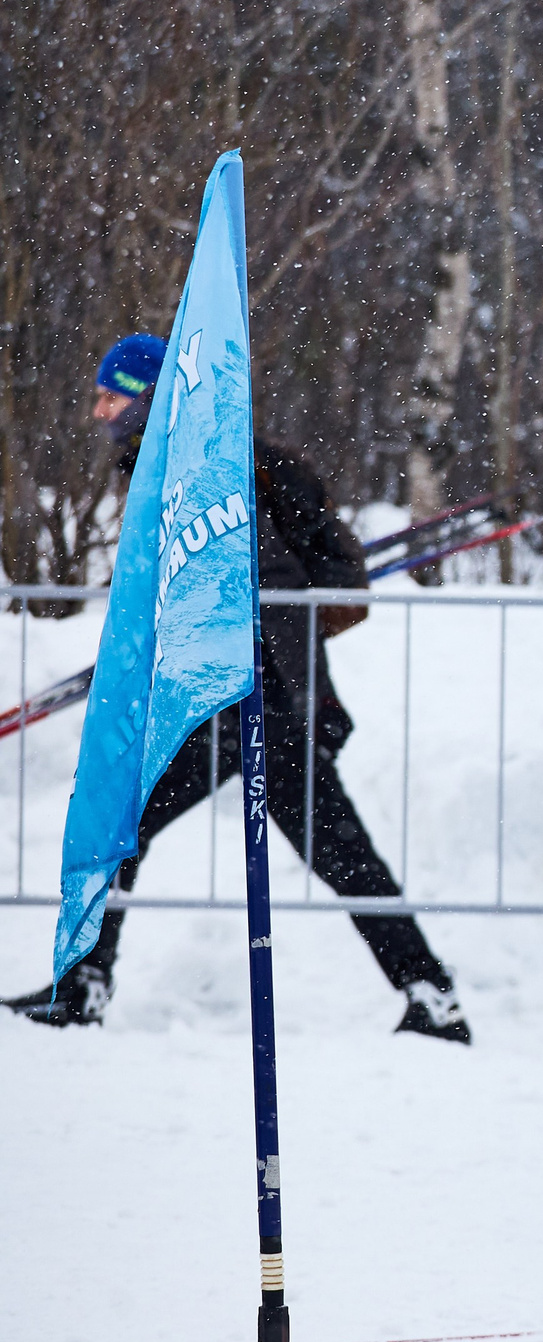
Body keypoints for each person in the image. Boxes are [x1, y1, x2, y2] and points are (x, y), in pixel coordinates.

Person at [5, 334, 472, 1043]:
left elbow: (287, 585)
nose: (98, 412)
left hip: (251, 699)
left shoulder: (219, 473)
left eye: (110, 397)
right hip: (244, 697)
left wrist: (243, 645)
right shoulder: (181, 469)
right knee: (332, 850)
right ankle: (430, 993)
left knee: (128, 822)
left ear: (148, 400)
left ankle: (84, 987)